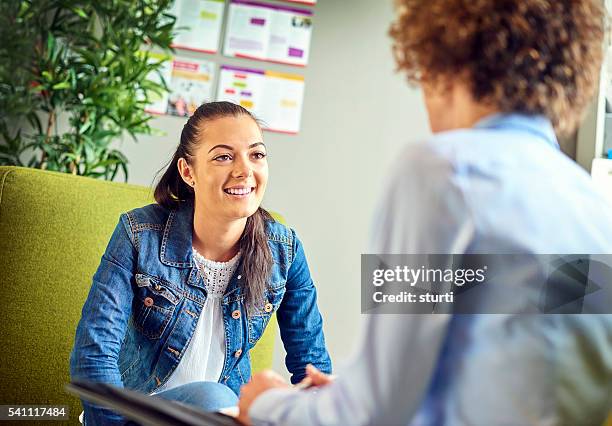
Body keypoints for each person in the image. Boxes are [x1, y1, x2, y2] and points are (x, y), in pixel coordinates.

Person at [237, 1, 612, 425]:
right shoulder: (594, 207)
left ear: (442, 58)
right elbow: (516, 367)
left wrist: (267, 402)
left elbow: (372, 414)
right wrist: (347, 392)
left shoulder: (445, 170)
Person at [70, 101, 331, 425]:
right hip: (135, 416)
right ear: (188, 171)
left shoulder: (285, 250)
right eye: (223, 156)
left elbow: (311, 366)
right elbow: (93, 355)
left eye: (257, 154)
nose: (244, 170)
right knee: (214, 397)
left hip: (221, 418)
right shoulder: (139, 234)